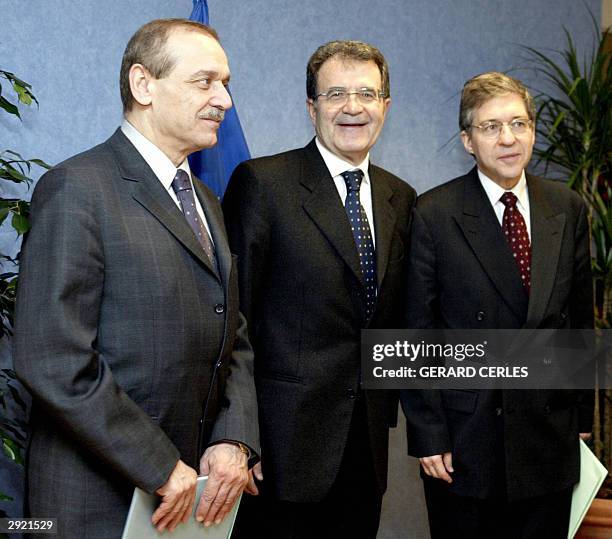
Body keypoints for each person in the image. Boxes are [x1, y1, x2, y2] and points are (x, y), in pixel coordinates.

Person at [13, 19, 259, 538]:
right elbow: (54, 358)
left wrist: (234, 440)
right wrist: (160, 467)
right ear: (143, 85)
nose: (225, 100)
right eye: (205, 81)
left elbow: (229, 332)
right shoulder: (77, 189)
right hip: (95, 500)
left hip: (192, 499)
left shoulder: (207, 201)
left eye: (226, 83)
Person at [222, 40, 416, 538]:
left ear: (385, 107)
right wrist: (241, 438)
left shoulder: (402, 197)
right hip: (279, 451)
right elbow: (232, 321)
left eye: (366, 94)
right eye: (336, 94)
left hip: (367, 448)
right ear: (312, 108)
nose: (353, 107)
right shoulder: (264, 184)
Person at [401, 72, 593, 538]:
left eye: (519, 124)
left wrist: (581, 422)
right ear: (468, 140)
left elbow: (578, 322)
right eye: (490, 127)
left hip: (549, 437)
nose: (508, 139)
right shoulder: (434, 213)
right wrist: (429, 435)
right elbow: (416, 334)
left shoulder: (566, 207)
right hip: (466, 442)